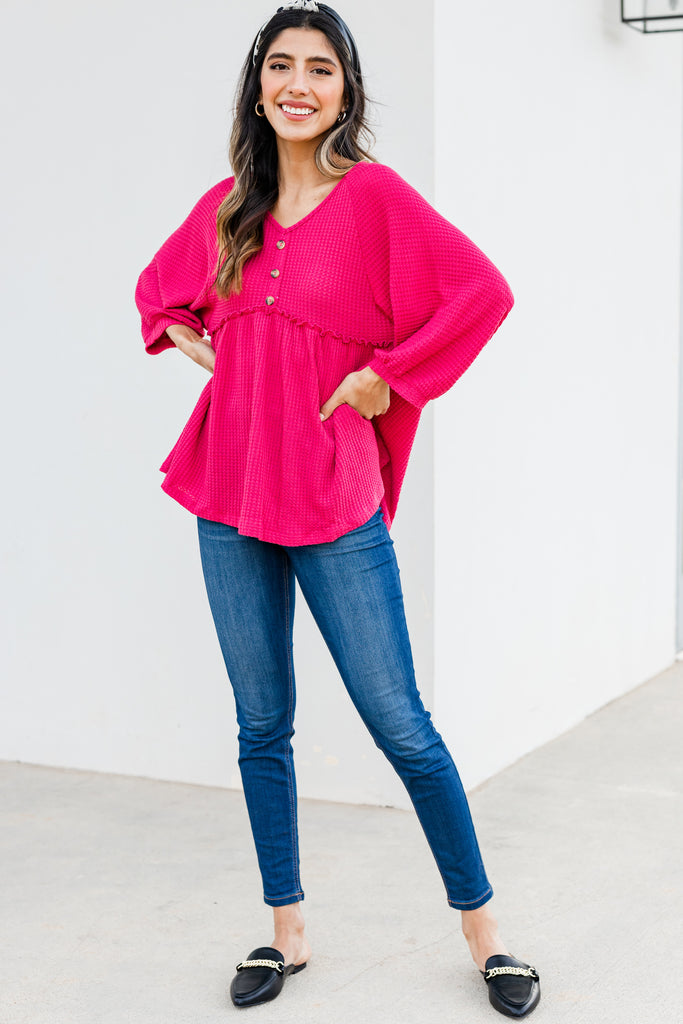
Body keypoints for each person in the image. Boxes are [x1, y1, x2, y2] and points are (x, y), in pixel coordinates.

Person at [135, 1, 540, 1017]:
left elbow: (481, 292)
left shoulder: (375, 201)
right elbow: (159, 290)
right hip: (228, 490)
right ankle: (287, 930)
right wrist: (187, 335)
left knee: (400, 724)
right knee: (260, 723)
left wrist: (383, 378)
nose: (299, 84)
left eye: (321, 68)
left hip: (329, 492)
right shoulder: (229, 209)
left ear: (345, 91)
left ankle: (485, 932)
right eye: (281, 66)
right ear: (258, 86)